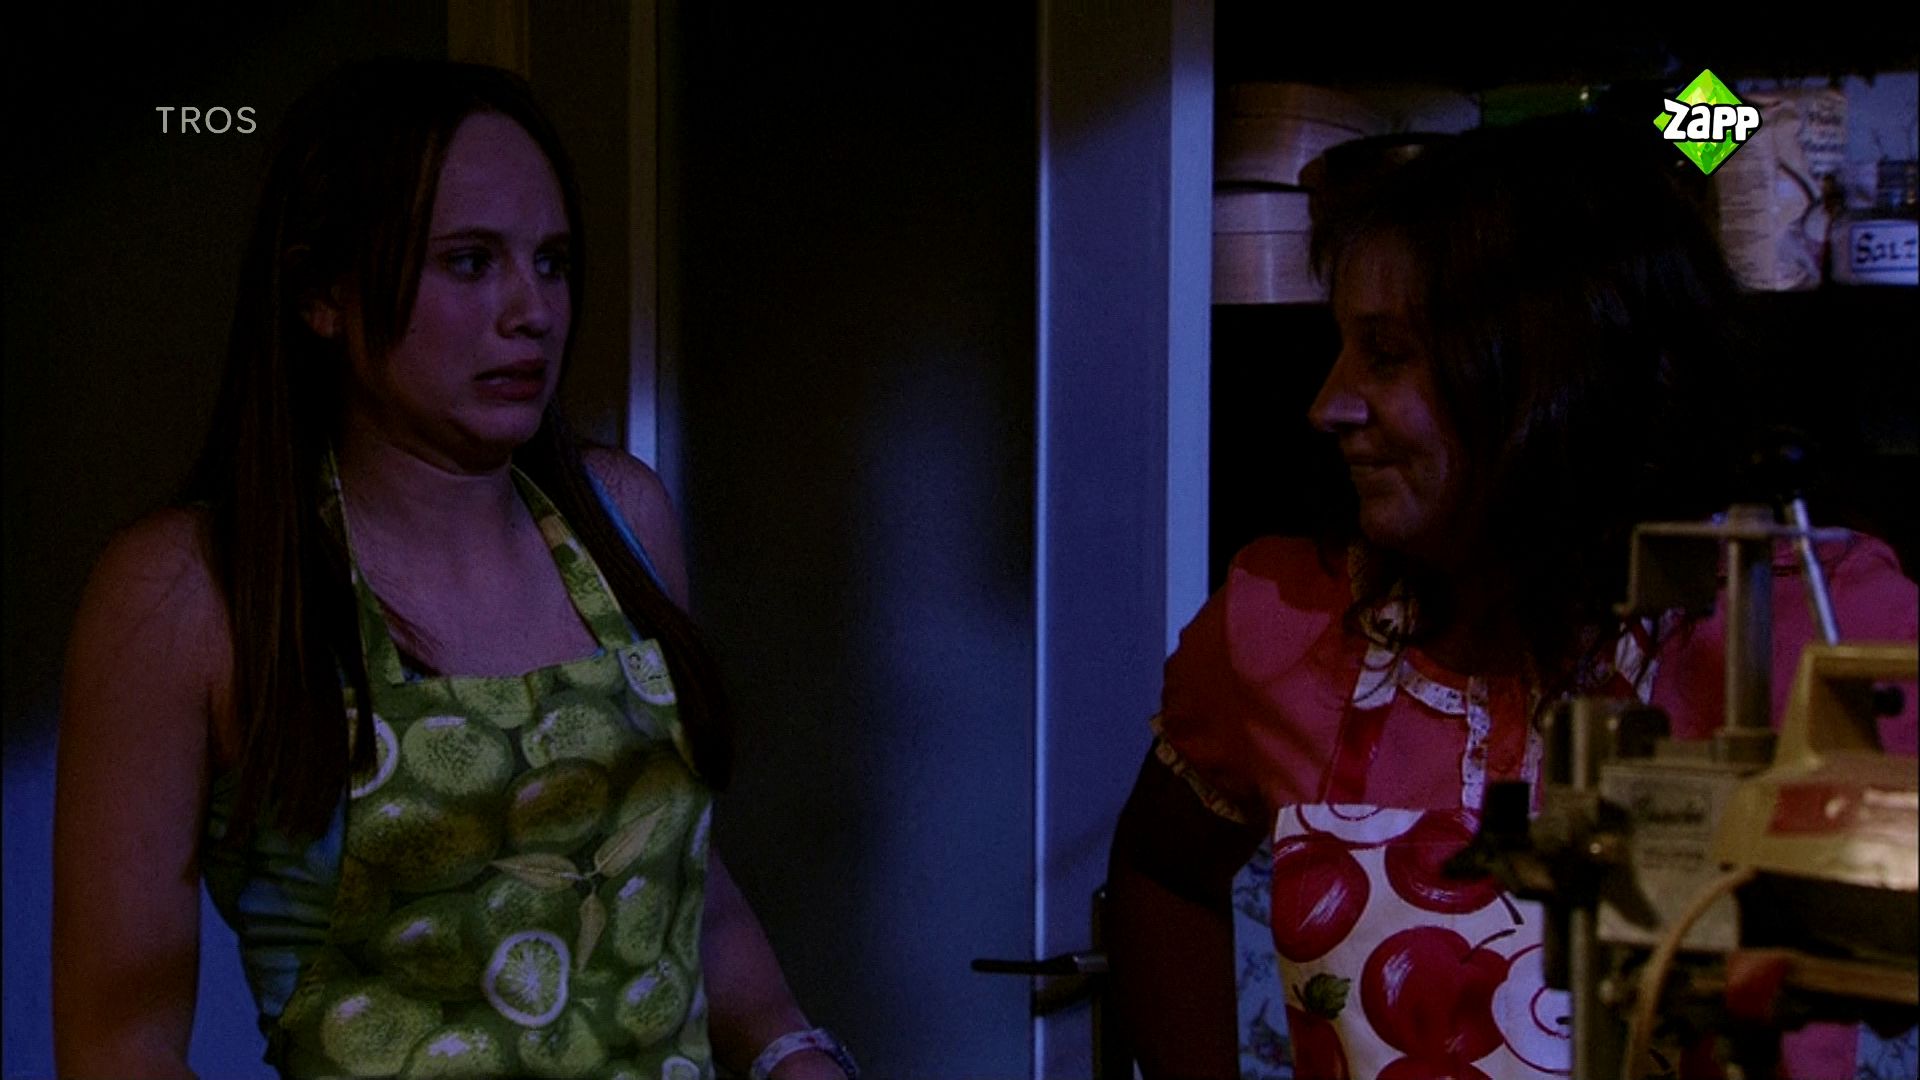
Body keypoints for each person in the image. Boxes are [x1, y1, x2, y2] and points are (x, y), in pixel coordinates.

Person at [53, 60, 856, 1080]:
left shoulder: (621, 518)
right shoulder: (191, 591)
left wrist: (789, 1046)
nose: (533, 311)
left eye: (552, 263)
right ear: (323, 293)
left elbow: (674, 871)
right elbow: (119, 1042)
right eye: (471, 263)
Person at [1107, 114, 1919, 1079]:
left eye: (1387, 354)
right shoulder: (1284, 625)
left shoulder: (1816, 626)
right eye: (1342, 348)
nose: (1327, 405)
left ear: (1556, 368)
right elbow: (1160, 875)